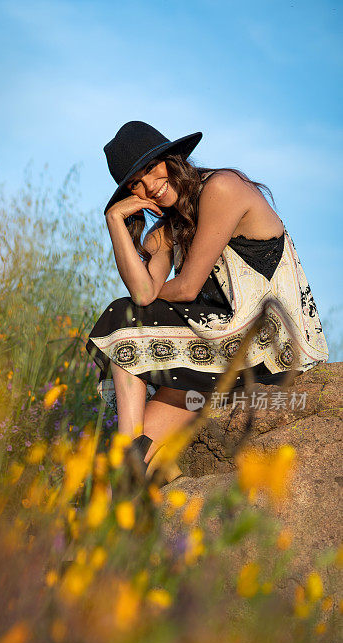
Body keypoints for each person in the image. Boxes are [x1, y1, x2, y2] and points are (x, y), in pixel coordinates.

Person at [85, 121, 329, 481]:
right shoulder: (165, 231)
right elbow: (142, 292)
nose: (150, 185)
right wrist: (114, 219)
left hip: (270, 340)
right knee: (127, 466)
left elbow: (183, 289)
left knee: (123, 317)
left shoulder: (222, 188)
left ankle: (132, 454)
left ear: (173, 159)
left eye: (152, 168)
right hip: (215, 347)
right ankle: (130, 460)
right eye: (136, 182)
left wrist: (149, 295)